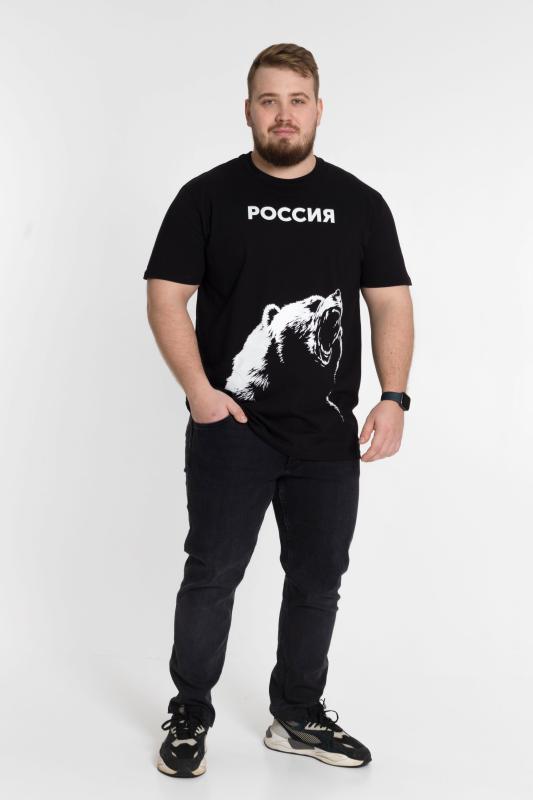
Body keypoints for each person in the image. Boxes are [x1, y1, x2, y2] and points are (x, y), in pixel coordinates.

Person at [144, 42, 414, 779]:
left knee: (318, 580)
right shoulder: (207, 196)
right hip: (232, 429)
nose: (283, 115)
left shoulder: (359, 203)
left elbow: (389, 302)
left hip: (327, 434)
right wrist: (200, 392)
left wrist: (393, 397)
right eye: (269, 101)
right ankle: (189, 713)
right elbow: (166, 297)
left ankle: (296, 714)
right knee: (213, 573)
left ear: (318, 109)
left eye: (297, 101)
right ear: (248, 111)